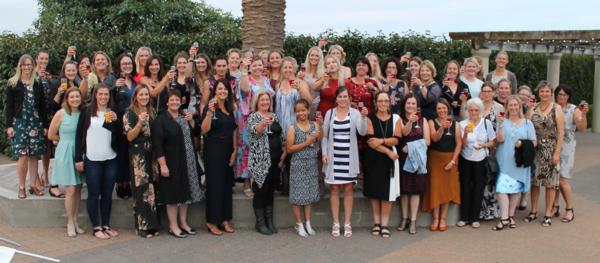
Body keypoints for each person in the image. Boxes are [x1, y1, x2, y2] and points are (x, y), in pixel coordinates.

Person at [74, 83, 121, 239]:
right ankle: (96, 227)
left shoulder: (112, 112)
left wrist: (116, 121)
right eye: (100, 94)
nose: (103, 97)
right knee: (94, 194)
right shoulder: (87, 112)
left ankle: (106, 225)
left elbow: (118, 136)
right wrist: (78, 158)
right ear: (95, 95)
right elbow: (79, 135)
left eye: (106, 94)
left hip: (110, 159)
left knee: (107, 194)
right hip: (92, 159)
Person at [152, 90, 200, 238]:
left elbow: (196, 132)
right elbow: (157, 144)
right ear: (167, 102)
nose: (174, 102)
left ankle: (183, 223)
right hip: (170, 162)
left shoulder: (184, 116)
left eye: (177, 100)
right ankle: (173, 226)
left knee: (185, 193)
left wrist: (192, 121)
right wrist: (163, 165)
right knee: (172, 195)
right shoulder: (161, 119)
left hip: (187, 161)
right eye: (171, 100)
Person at [321, 87, 368, 238]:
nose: (343, 99)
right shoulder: (330, 113)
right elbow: (324, 136)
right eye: (340, 96)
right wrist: (324, 153)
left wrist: (364, 118)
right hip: (334, 158)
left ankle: (347, 223)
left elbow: (362, 132)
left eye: (345, 96)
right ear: (336, 98)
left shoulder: (355, 113)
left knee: (348, 189)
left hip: (349, 158)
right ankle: (336, 223)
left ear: (349, 98)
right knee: (334, 189)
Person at [5, 54, 47, 199]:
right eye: (24, 64)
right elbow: (8, 107)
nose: (27, 67)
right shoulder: (13, 83)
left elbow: (42, 106)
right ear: (20, 66)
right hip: (20, 123)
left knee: (34, 155)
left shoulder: (37, 83)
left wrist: (45, 125)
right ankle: (21, 187)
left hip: (35, 123)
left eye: (30, 64)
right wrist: (9, 126)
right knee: (23, 156)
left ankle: (33, 186)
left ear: (33, 66)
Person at [493, 95, 537, 230]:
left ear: (519, 107)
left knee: (515, 189)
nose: (513, 108)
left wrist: (522, 144)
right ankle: (504, 217)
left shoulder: (527, 123)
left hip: (519, 161)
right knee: (501, 189)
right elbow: (499, 140)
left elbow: (534, 142)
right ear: (507, 107)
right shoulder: (502, 121)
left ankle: (510, 217)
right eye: (510, 105)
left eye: (515, 105)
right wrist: (500, 124)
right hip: (504, 160)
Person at [524, 81, 565, 227]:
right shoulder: (533, 107)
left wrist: (557, 153)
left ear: (551, 93)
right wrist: (528, 108)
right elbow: (526, 125)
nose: (544, 94)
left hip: (550, 149)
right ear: (538, 92)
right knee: (535, 182)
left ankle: (548, 212)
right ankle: (533, 210)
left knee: (550, 183)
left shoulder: (556, 108)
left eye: (547, 91)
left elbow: (561, 132)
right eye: (542, 91)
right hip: (535, 149)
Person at [201, 78, 238, 236]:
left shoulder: (230, 108)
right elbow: (204, 129)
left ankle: (224, 220)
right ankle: (212, 221)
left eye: (225, 89)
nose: (222, 92)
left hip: (228, 148)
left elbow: (234, 129)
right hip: (214, 149)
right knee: (215, 186)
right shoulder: (210, 107)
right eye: (220, 89)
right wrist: (209, 112)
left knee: (226, 185)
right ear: (214, 91)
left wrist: (235, 150)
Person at [123, 85, 160, 238]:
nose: (144, 97)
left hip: (151, 153)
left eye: (146, 94)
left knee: (151, 189)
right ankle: (141, 226)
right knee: (141, 190)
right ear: (135, 96)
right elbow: (129, 137)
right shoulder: (129, 113)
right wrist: (139, 122)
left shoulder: (153, 111)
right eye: (141, 94)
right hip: (138, 155)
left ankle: (152, 225)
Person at [364, 92, 402, 238]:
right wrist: (387, 151)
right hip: (374, 158)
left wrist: (381, 141)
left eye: (386, 101)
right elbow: (370, 142)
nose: (383, 103)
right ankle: (377, 223)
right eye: (380, 101)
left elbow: (397, 139)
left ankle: (385, 224)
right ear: (375, 102)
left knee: (387, 193)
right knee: (374, 192)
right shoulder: (369, 119)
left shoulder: (396, 119)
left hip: (390, 161)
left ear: (389, 102)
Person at [237, 54, 276, 198]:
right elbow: (246, 91)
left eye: (260, 65)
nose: (258, 67)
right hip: (250, 119)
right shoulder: (246, 78)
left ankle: (260, 181)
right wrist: (244, 69)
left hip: (266, 117)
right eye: (254, 65)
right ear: (250, 67)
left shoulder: (266, 80)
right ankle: (247, 182)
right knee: (248, 150)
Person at [48, 88, 84, 237]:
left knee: (78, 188)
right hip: (65, 152)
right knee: (70, 189)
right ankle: (69, 222)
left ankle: (75, 221)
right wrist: (64, 142)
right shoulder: (61, 113)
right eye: (72, 97)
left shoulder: (83, 114)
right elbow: (51, 135)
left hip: (79, 153)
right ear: (67, 99)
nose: (75, 99)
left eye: (77, 96)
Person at [457, 98, 496, 229]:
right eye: (471, 110)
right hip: (466, 158)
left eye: (476, 110)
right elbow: (461, 145)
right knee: (465, 187)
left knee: (479, 187)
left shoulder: (486, 123)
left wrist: (483, 145)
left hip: (481, 159)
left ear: (480, 110)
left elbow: (493, 142)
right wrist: (465, 135)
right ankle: (464, 217)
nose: (473, 112)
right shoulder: (462, 124)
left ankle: (475, 218)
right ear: (467, 110)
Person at [248, 91, 283, 235]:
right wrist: (263, 122)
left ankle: (269, 221)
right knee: (260, 191)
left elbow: (279, 134)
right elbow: (255, 131)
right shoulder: (253, 117)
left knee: (270, 191)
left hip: (274, 160)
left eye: (267, 100)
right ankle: (260, 223)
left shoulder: (274, 116)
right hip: (260, 161)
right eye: (262, 100)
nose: (265, 103)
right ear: (257, 102)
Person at [423, 99, 461, 232]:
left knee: (446, 188)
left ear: (448, 108)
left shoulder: (456, 124)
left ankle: (443, 218)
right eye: (439, 108)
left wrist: (453, 161)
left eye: (444, 108)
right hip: (435, 159)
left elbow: (459, 144)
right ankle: (435, 218)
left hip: (450, 159)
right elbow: (434, 138)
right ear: (436, 110)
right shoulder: (431, 122)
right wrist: (442, 128)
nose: (442, 111)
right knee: (435, 188)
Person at [286, 99, 323, 237]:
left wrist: (321, 126)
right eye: (298, 111)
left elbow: (319, 139)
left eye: (303, 110)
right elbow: (289, 149)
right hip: (298, 163)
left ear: (308, 111)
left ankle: (308, 223)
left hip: (312, 163)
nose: (301, 113)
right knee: (297, 196)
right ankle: (299, 224)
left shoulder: (314, 124)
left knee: (308, 196)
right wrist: (306, 142)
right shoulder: (292, 128)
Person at [396, 94, 431, 235]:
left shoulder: (424, 120)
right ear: (404, 105)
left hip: (418, 159)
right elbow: (403, 133)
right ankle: (404, 218)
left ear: (417, 106)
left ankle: (414, 220)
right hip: (403, 158)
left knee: (415, 190)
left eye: (413, 103)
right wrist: (410, 122)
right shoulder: (399, 119)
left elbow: (428, 141)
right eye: (408, 103)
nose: (410, 106)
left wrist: (411, 147)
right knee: (404, 190)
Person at [553, 84, 587, 223]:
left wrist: (583, 114)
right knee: (553, 178)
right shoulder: (552, 106)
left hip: (566, 147)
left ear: (568, 96)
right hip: (552, 145)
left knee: (562, 178)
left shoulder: (573, 109)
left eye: (564, 95)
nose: (562, 97)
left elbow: (582, 128)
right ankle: (555, 206)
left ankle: (569, 209)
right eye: (559, 94)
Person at [46, 61, 80, 198]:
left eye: (73, 70)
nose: (71, 73)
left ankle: (70, 181)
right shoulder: (57, 84)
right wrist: (59, 94)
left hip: (73, 120)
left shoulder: (75, 84)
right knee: (60, 156)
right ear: (64, 71)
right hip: (61, 120)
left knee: (67, 158)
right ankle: (53, 186)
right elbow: (51, 106)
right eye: (68, 70)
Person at [478, 82, 505, 220]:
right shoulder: (477, 105)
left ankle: (492, 210)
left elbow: (502, 125)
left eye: (489, 91)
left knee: (491, 178)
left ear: (494, 92)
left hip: (493, 147)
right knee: (480, 178)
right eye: (485, 91)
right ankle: (480, 210)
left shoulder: (499, 107)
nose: (487, 93)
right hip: (478, 147)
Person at [113, 53, 137, 199]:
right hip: (120, 123)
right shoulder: (115, 81)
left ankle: (128, 181)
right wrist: (114, 88)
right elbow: (110, 101)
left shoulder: (136, 81)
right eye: (124, 64)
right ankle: (120, 182)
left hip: (134, 122)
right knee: (121, 153)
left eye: (129, 63)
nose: (127, 66)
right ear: (119, 66)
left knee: (131, 153)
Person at [276, 56, 313, 138]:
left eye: (290, 67)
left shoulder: (301, 83)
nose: (287, 70)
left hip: (296, 123)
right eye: (285, 67)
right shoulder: (278, 84)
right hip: (281, 124)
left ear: (294, 69)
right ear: (281, 69)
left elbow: (309, 102)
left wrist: (299, 89)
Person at [298, 46, 326, 119]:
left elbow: (316, 88)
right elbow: (296, 85)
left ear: (320, 58)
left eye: (317, 56)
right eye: (312, 55)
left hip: (315, 104)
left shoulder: (323, 73)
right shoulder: (303, 71)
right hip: (301, 102)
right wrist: (299, 79)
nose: (314, 57)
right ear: (308, 56)